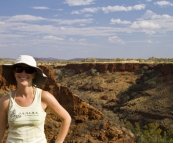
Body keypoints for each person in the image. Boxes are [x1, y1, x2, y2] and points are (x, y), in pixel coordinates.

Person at [0, 55, 71, 143]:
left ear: (34, 74)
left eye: (28, 70)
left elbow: (66, 118)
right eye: (19, 69)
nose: (23, 73)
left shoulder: (43, 96)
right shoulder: (5, 101)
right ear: (14, 73)